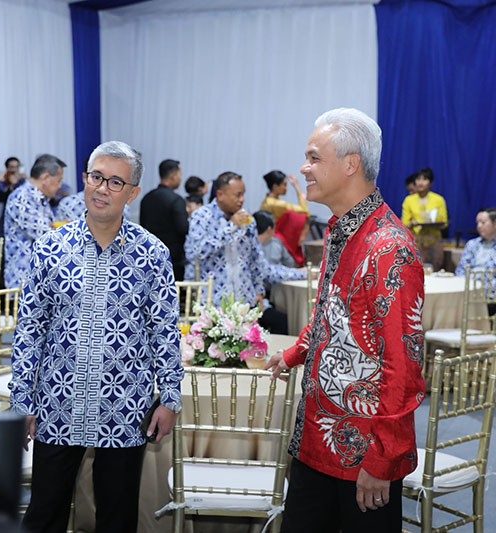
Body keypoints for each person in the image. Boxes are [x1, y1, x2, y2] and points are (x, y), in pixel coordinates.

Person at [9, 141, 183, 532]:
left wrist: (170, 397)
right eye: (96, 177)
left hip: (124, 402)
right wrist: (22, 401)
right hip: (58, 399)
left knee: (117, 515)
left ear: (133, 193)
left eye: (116, 182)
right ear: (85, 179)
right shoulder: (50, 249)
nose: (102, 188)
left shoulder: (152, 254)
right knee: (44, 511)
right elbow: (30, 331)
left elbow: (164, 331)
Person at [267, 108, 425, 532]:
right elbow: (334, 314)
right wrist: (296, 353)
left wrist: (383, 457)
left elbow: (404, 367)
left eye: (314, 157)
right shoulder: (343, 229)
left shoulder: (389, 247)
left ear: (351, 163)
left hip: (361, 456)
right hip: (315, 440)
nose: (304, 168)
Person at [185, 172, 289, 334]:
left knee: (245, 353)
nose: (242, 200)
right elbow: (196, 253)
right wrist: (230, 228)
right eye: (238, 195)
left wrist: (259, 290)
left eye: (243, 195)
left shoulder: (248, 220)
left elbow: (255, 259)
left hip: (245, 300)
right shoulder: (202, 217)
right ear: (220, 195)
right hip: (214, 301)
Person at [3, 154, 66, 288]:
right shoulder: (22, 198)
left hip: (41, 278)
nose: (60, 186)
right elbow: (45, 235)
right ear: (46, 178)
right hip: (26, 280)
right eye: (58, 181)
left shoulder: (40, 198)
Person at [139, 159, 189, 280]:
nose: (181, 178)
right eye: (180, 174)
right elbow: (183, 228)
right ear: (173, 175)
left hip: (149, 256)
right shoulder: (177, 200)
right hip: (173, 259)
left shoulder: (147, 198)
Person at [401, 167, 448, 271]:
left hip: (434, 241)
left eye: (424, 179)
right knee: (416, 271)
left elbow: (444, 222)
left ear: (430, 183)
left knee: (435, 271)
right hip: (416, 241)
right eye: (418, 179)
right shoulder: (409, 200)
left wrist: (435, 222)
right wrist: (412, 223)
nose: (421, 183)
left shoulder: (438, 200)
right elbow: (404, 223)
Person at [456, 208, 496, 314]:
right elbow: (461, 270)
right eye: (477, 223)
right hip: (469, 292)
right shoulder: (472, 244)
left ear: (494, 224)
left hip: (491, 295)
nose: (479, 226)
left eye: (483, 222)